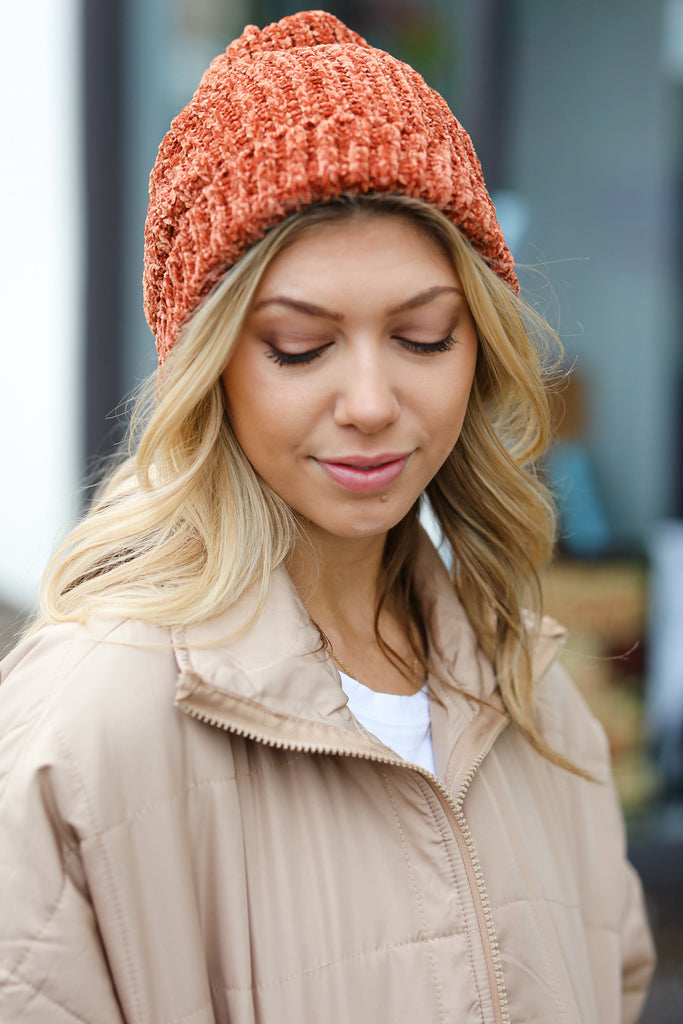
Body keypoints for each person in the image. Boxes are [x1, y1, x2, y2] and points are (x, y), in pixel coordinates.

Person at [0, 10, 654, 1023]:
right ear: (205, 369)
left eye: (424, 337)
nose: (369, 401)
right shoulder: (89, 720)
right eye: (299, 346)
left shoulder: (527, 693)